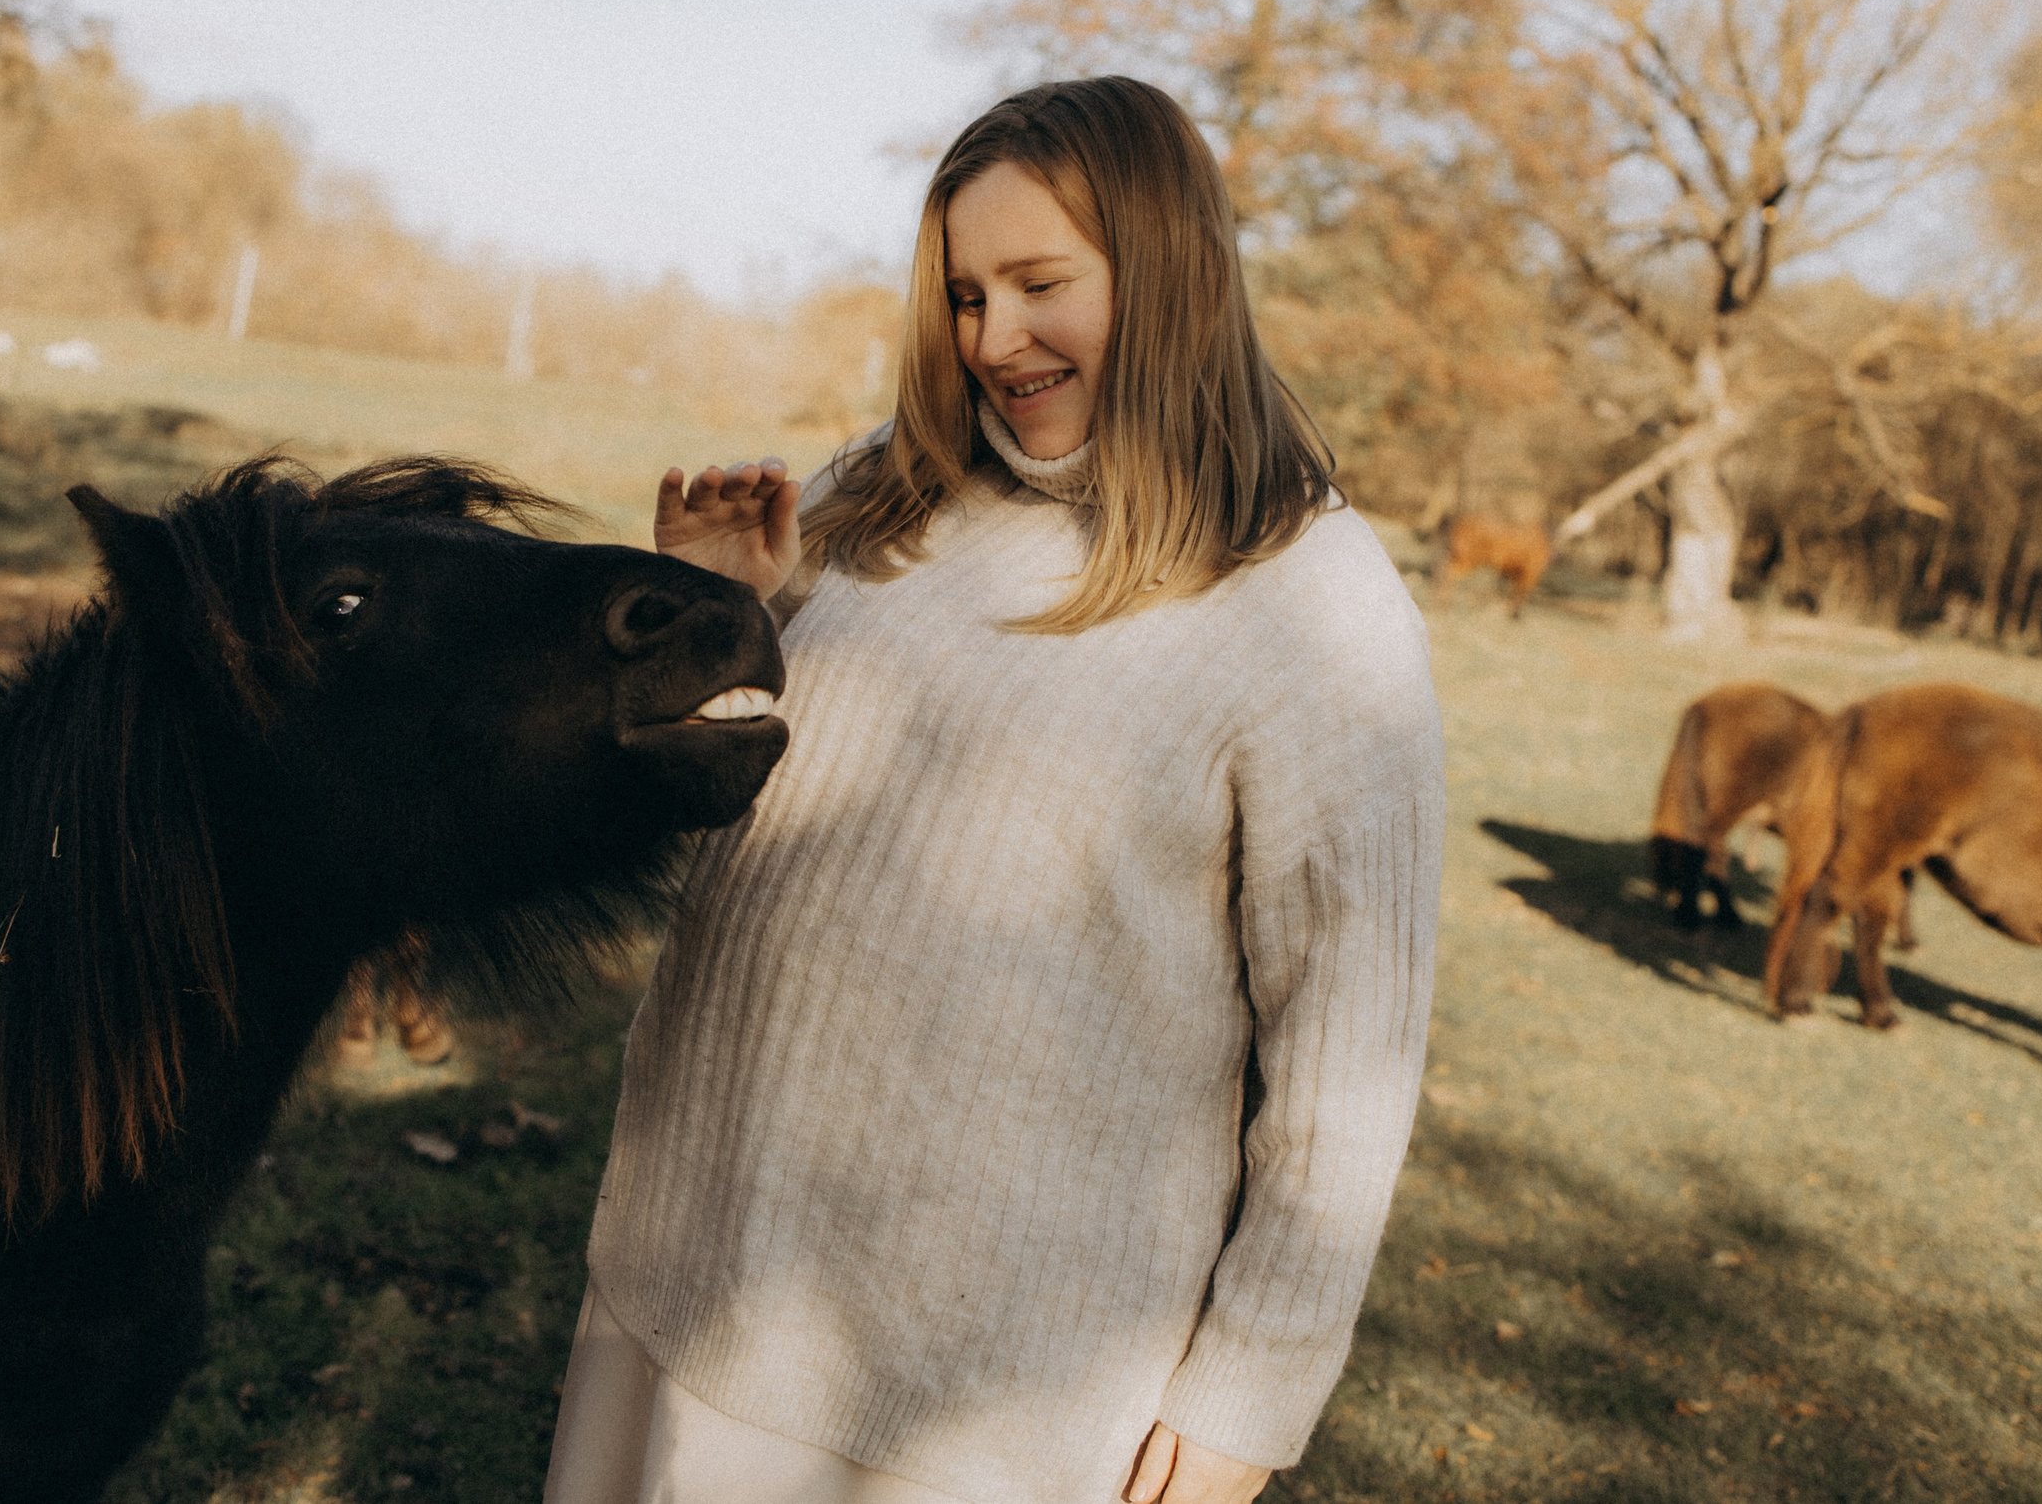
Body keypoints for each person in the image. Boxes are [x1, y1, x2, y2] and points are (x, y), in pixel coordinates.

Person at [543, 76, 1443, 1504]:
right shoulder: (877, 495)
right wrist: (726, 630)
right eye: (965, 294)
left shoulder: (1311, 602)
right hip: (695, 1276)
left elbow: (1351, 1054)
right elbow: (743, 830)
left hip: (973, 1385)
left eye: (1040, 283)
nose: (993, 339)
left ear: (1169, 274)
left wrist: (1248, 1402)